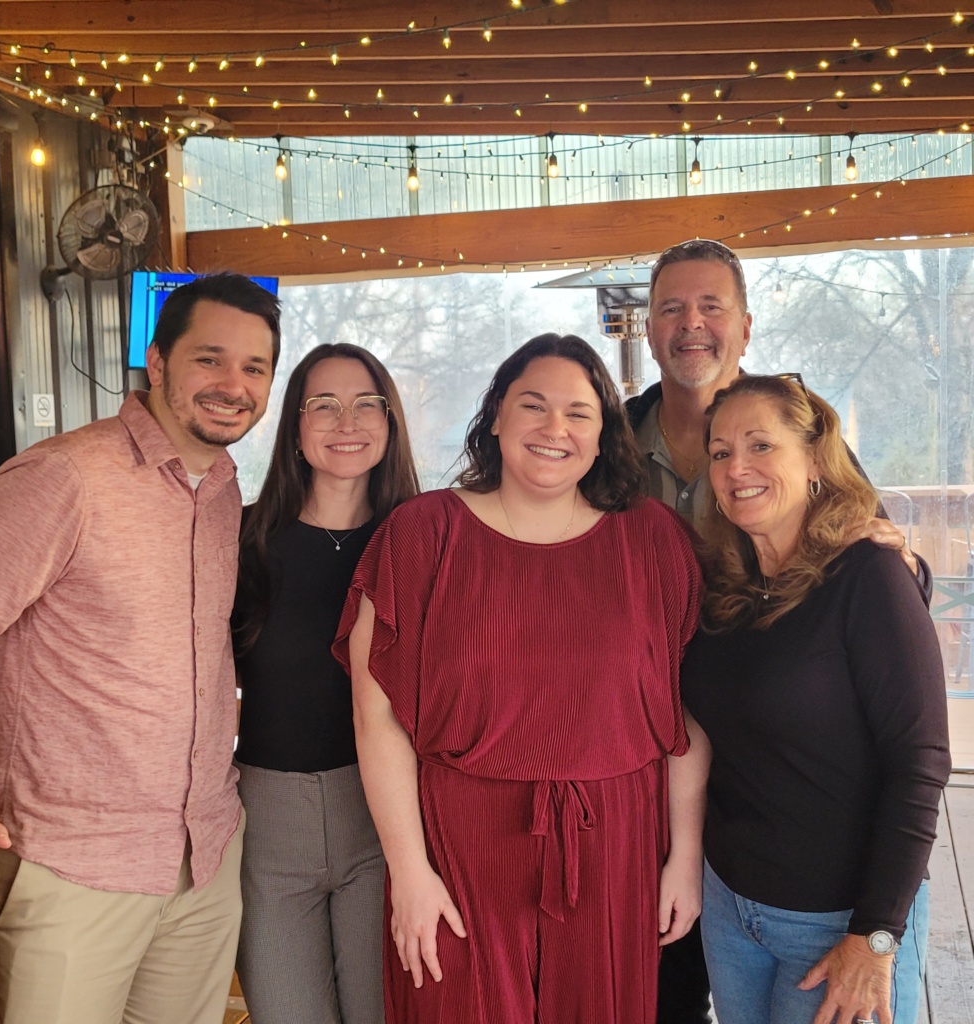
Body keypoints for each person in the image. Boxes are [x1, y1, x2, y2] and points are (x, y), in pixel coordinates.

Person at [334, 333, 708, 1024]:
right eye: (533, 405)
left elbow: (687, 715)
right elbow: (375, 715)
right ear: (497, 418)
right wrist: (409, 871)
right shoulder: (422, 534)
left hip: (616, 845)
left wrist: (683, 857)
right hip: (459, 844)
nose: (554, 427)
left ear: (603, 434)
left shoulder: (652, 540)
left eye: (578, 412)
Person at [0, 272, 280, 1024]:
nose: (233, 385)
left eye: (255, 367)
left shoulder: (224, 489)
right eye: (209, 359)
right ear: (157, 362)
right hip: (73, 863)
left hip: (202, 860)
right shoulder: (64, 476)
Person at [626, 237, 931, 1024]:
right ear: (648, 327)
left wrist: (879, 933)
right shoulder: (609, 449)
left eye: (712, 306)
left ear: (746, 326)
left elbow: (879, 563)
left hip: (832, 897)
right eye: (671, 308)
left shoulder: (815, 472)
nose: (691, 324)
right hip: (688, 830)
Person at [680, 373, 950, 1024]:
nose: (736, 467)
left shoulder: (869, 573)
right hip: (731, 909)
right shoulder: (724, 587)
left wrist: (876, 936)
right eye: (720, 452)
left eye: (761, 445)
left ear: (814, 462)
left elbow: (920, 763)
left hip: (842, 923)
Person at [233, 343, 420, 1024]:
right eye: (324, 405)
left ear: (390, 422)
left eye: (367, 403)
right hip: (268, 819)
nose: (347, 422)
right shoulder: (243, 539)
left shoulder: (423, 540)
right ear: (295, 426)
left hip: (389, 817)